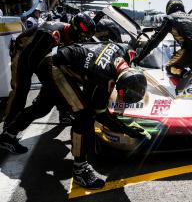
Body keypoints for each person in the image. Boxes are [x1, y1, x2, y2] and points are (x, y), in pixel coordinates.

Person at [0, 41, 150, 189]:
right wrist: (127, 130)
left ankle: (8, 135)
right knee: (84, 116)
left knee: (42, 107)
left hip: (53, 57)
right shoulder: (102, 77)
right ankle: (80, 170)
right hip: (54, 65)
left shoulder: (124, 50)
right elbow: (100, 114)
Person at [2, 13, 96, 131]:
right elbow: (32, 60)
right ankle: (8, 126)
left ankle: (63, 113)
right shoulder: (51, 33)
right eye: (81, 36)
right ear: (74, 30)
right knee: (21, 89)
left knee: (59, 81)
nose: (81, 40)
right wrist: (49, 84)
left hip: (41, 54)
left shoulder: (70, 33)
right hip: (24, 52)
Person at [133, 0, 192, 83]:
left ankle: (185, 73)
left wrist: (138, 58)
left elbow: (154, 40)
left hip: (189, 51)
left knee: (170, 67)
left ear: (169, 8)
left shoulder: (170, 18)